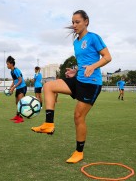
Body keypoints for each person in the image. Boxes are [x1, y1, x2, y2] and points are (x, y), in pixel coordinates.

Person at [31, 10, 112, 163]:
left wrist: (93, 67)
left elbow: (107, 57)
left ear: (86, 21)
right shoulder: (75, 42)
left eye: (77, 22)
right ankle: (49, 124)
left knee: (78, 117)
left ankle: (79, 152)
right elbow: (83, 62)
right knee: (48, 86)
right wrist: (76, 71)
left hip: (91, 84)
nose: (74, 25)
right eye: (73, 22)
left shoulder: (94, 38)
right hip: (78, 80)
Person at [6, 56, 27, 123]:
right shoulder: (11, 72)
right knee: (17, 103)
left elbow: (20, 80)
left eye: (8, 64)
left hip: (22, 87)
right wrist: (10, 87)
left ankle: (21, 118)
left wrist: (13, 88)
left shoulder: (16, 70)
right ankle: (17, 116)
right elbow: (14, 81)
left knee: (20, 103)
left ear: (11, 64)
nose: (7, 65)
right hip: (18, 87)